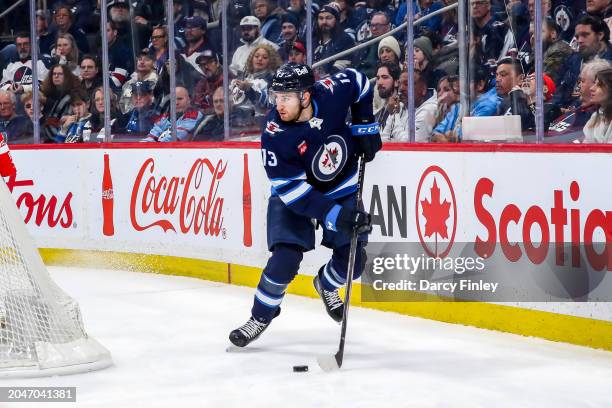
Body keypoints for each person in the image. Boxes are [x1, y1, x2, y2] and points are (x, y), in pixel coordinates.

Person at [228, 63, 381, 347]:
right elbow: (295, 194)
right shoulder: (275, 135)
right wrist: (336, 216)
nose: (279, 104)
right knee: (285, 259)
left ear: (307, 96)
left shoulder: (332, 92)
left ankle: (326, 284)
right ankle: (261, 316)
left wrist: (364, 125)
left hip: (341, 184)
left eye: (286, 97)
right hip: (295, 194)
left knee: (354, 261)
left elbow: (360, 81)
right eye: (276, 97)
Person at [313, 4, 356, 77]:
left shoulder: (345, 40)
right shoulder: (314, 41)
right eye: (321, 18)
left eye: (328, 18)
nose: (324, 22)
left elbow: (339, 70)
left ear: (336, 20)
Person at [583, 67, 612, 143]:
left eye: (599, 85)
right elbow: (586, 146)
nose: (592, 88)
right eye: (594, 83)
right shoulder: (595, 116)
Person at [193, 51, 224, 115]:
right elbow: (194, 106)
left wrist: (204, 111)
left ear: (217, 63)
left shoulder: (229, 79)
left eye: (209, 62)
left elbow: (229, 107)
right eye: (202, 65)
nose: (206, 67)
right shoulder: (202, 82)